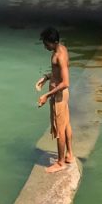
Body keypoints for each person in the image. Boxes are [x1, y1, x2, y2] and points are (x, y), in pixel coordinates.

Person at [36, 27, 74, 172]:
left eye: (46, 43)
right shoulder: (61, 49)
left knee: (60, 129)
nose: (45, 46)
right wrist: (45, 78)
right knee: (66, 124)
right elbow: (57, 73)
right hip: (59, 95)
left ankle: (60, 162)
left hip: (59, 96)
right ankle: (69, 154)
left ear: (52, 42)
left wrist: (47, 95)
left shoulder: (60, 56)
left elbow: (65, 82)